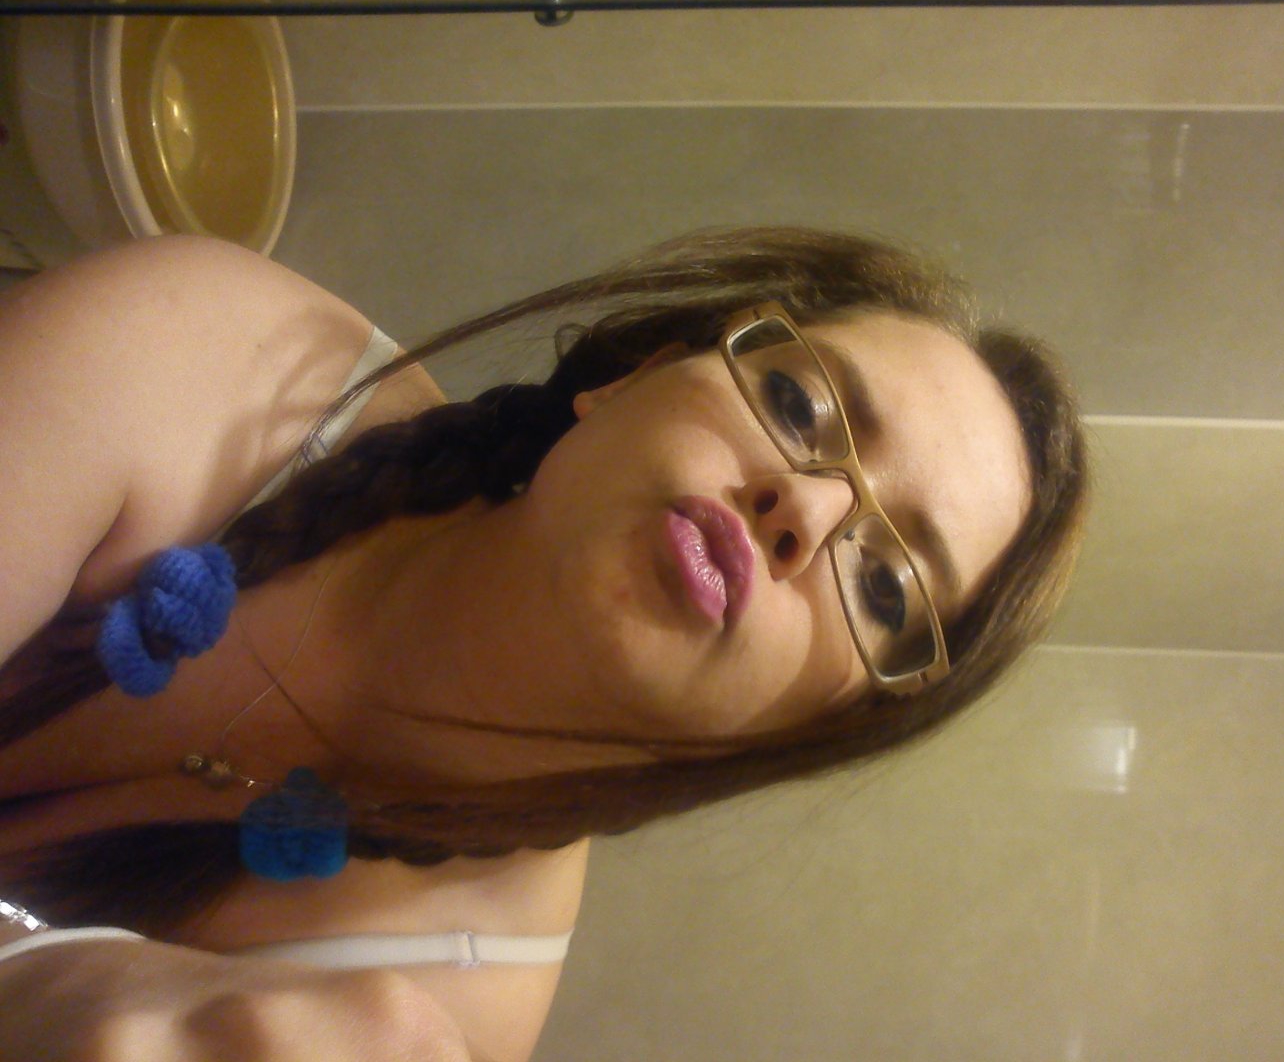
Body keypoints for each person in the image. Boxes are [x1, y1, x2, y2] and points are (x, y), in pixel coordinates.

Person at [0, 226, 1087, 1061]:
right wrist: (47, 984)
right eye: (801, 405)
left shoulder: (447, 1002)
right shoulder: (216, 366)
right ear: (631, 378)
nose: (805, 507)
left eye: (886, 588)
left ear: (820, 725)